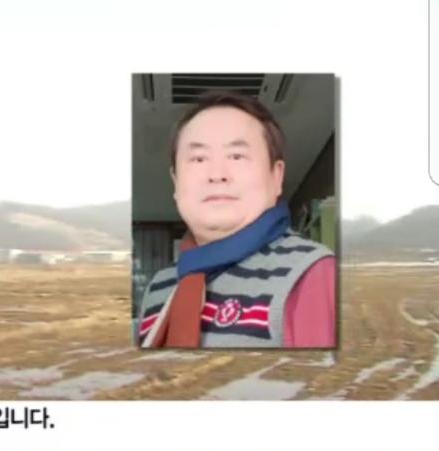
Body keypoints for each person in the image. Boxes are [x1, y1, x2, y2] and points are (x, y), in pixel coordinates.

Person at [138, 91, 335, 349]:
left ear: (276, 177)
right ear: (176, 182)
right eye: (198, 158)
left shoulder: (313, 274)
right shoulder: (158, 287)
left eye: (236, 156)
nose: (217, 175)